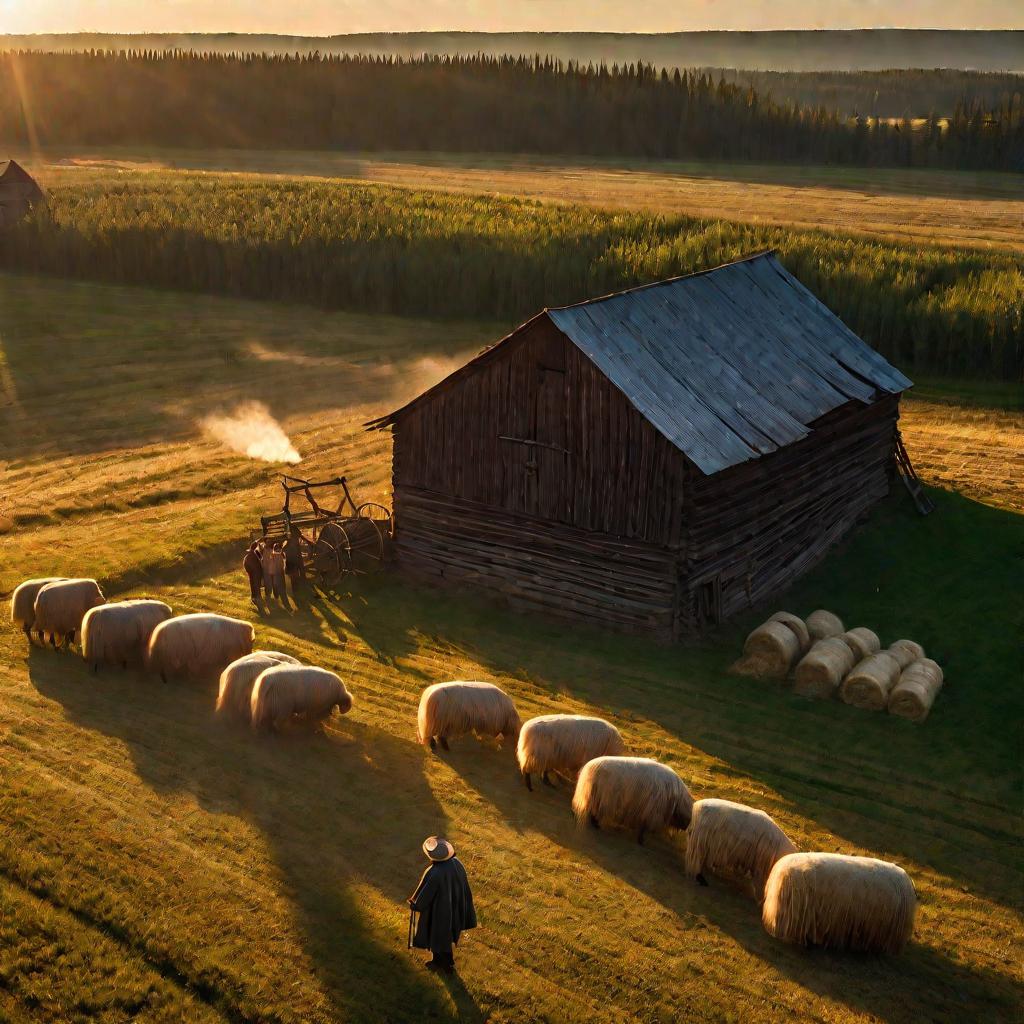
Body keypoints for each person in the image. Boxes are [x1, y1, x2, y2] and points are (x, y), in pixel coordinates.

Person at [407, 837, 477, 974]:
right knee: (445, 936)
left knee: (438, 936)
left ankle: (444, 964)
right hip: (454, 907)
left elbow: (426, 894)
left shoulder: (435, 872)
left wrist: (416, 905)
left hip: (439, 911)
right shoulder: (457, 864)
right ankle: (442, 961)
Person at [243, 540, 265, 604]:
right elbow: (246, 566)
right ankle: (254, 599)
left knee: (257, 586)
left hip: (257, 574)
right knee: (254, 586)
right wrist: (250, 572)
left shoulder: (256, 554)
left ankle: (258, 598)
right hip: (253, 574)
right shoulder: (248, 557)